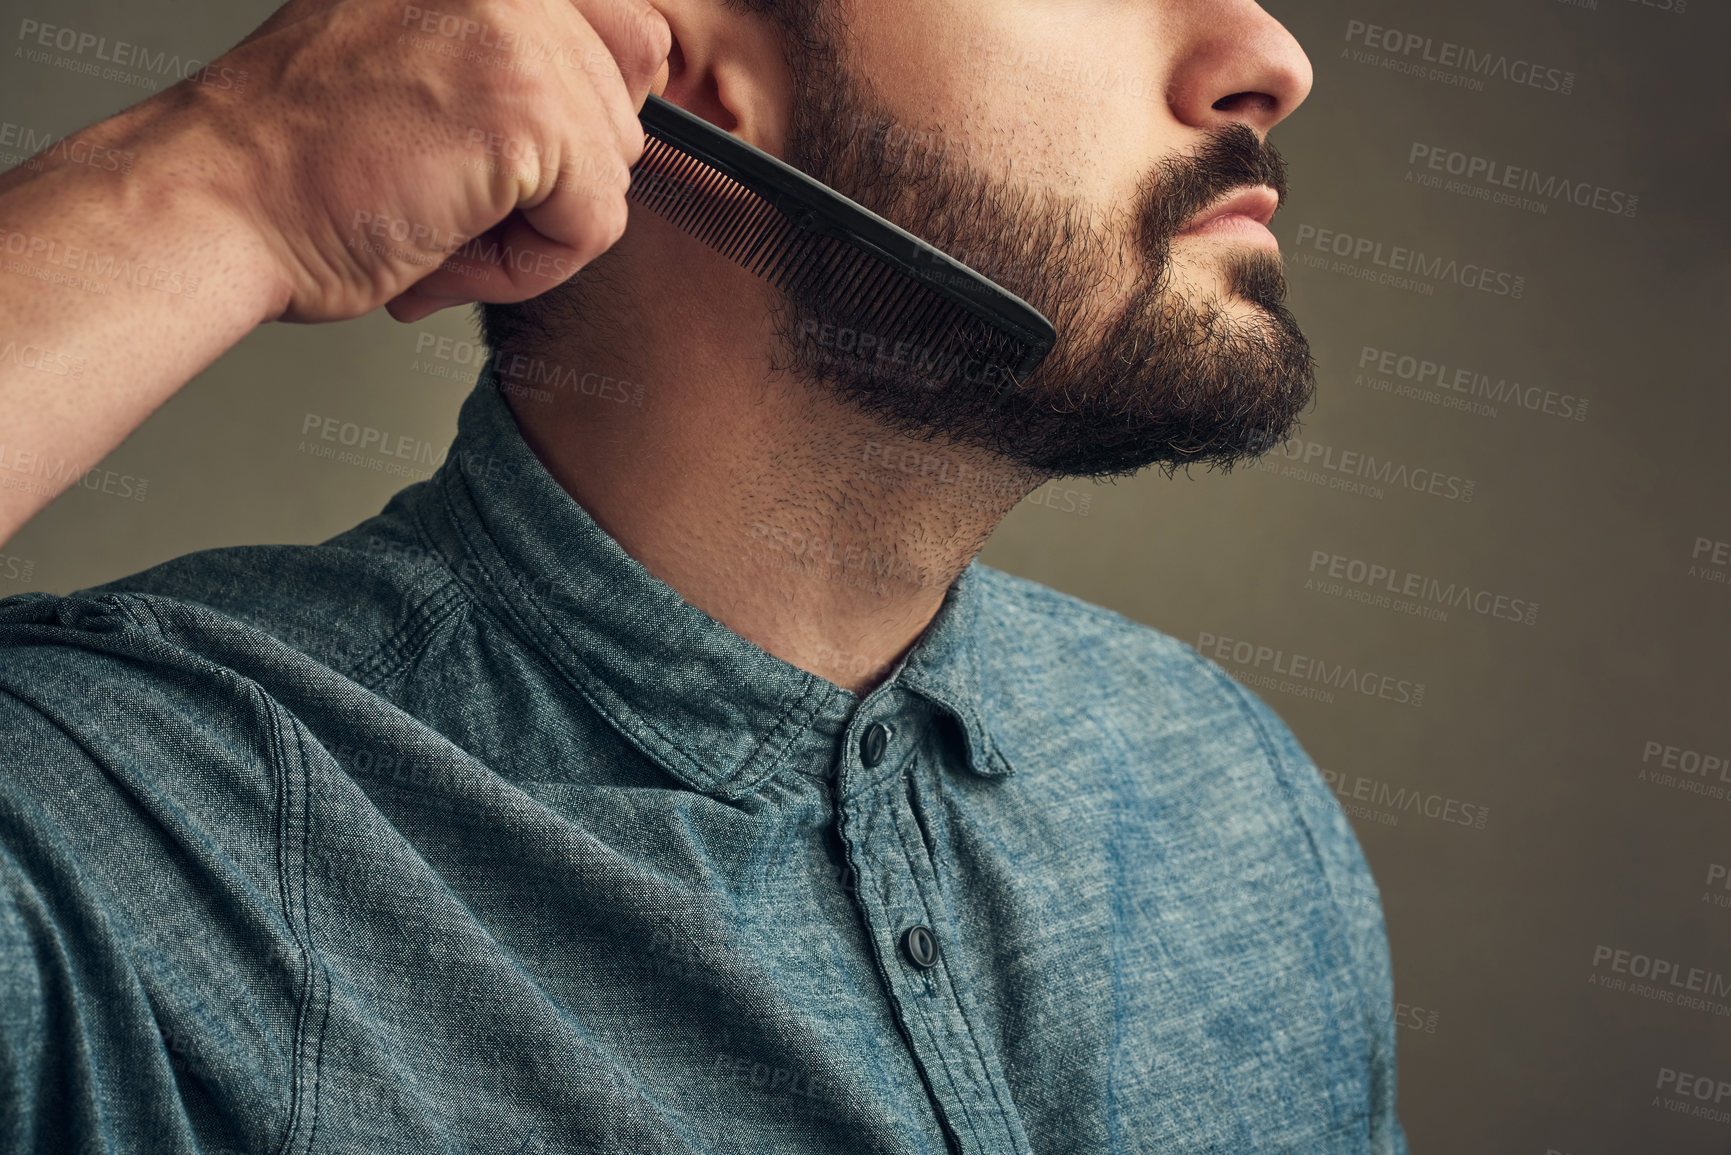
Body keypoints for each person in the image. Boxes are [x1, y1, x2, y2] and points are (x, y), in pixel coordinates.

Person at [0, 0, 1409, 1150]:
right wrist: (229, 170)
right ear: (690, 69)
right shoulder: (126, 829)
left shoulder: (1232, 788)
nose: (1269, 56)